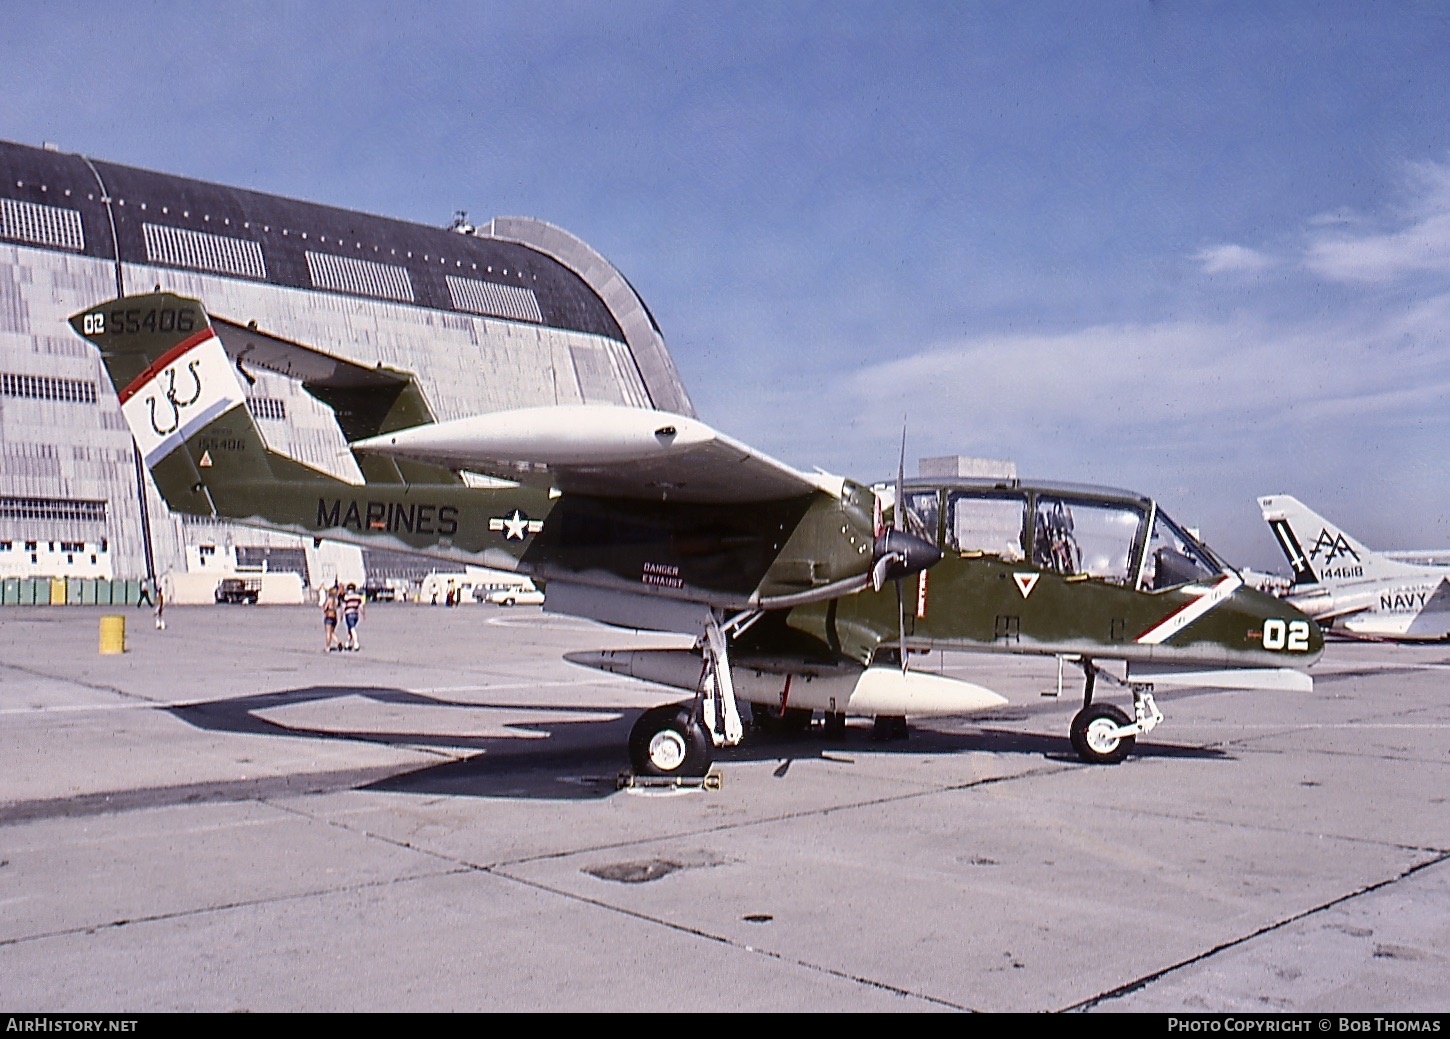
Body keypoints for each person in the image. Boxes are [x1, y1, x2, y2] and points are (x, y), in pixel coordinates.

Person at [341, 582, 365, 651]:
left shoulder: (346, 597)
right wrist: (363, 613)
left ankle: (356, 643)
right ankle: (347, 644)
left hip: (348, 614)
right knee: (350, 629)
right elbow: (360, 606)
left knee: (352, 628)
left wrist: (341, 615)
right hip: (356, 614)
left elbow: (343, 606)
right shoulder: (358, 596)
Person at [321, 582, 340, 651]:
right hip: (335, 617)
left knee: (328, 632)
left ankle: (328, 647)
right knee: (332, 632)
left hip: (328, 617)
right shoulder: (336, 601)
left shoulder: (329, 600)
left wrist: (324, 609)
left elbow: (325, 608)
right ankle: (338, 642)